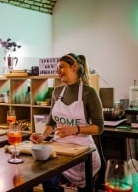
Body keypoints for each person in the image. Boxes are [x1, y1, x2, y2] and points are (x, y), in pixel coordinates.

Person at [30, 53, 104, 192]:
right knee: (48, 182)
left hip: (82, 152)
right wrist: (43, 136)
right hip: (60, 150)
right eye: (57, 68)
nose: (58, 71)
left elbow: (99, 127)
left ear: (74, 66)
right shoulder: (57, 92)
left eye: (62, 67)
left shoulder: (89, 93)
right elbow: (51, 122)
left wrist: (75, 129)